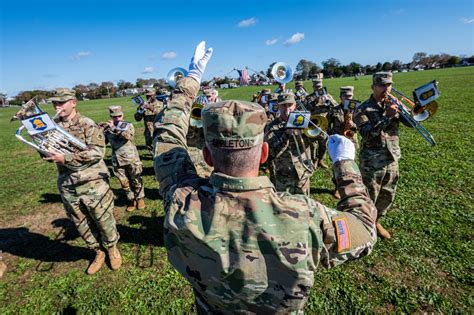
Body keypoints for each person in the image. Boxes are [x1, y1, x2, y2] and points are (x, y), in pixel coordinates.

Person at [154, 41, 377, 313]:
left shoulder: (181, 202)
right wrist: (344, 164)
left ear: (208, 157)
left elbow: (167, 134)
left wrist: (190, 81)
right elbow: (365, 229)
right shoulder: (304, 215)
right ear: (263, 154)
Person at [44, 88, 121, 275]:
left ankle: (111, 248)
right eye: (55, 103)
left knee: (103, 218)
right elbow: (46, 149)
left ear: (73, 102)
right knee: (80, 221)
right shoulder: (52, 126)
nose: (57, 106)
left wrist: (67, 158)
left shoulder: (87, 123)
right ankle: (97, 251)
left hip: (92, 181)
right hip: (67, 183)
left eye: (61, 102)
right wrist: (43, 148)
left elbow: (97, 152)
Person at [354, 72, 412, 239]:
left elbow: (411, 124)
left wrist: (403, 111)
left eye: (389, 85)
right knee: (368, 195)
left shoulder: (394, 104)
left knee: (387, 194)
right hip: (372, 161)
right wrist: (386, 117)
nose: (386, 88)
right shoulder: (362, 108)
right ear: (373, 87)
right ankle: (363, 224)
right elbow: (367, 133)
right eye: (382, 85)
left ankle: (376, 221)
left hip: (392, 157)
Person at [264, 92, 317, 195]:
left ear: (295, 106)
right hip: (282, 176)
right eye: (284, 105)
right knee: (284, 207)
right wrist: (286, 134)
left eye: (290, 105)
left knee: (304, 205)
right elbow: (272, 152)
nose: (287, 109)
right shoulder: (272, 126)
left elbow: (318, 140)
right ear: (278, 106)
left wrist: (313, 131)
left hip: (302, 173)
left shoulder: (304, 120)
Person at [103, 105, 145, 212]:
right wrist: (99, 131)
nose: (117, 119)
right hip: (117, 160)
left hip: (131, 158)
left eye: (119, 116)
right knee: (124, 182)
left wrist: (113, 128)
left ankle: (140, 198)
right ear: (111, 117)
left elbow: (127, 136)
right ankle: (131, 200)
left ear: (122, 115)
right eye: (114, 117)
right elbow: (103, 142)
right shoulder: (107, 128)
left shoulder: (127, 125)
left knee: (136, 178)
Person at [327, 86, 359, 199]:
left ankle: (351, 186)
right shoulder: (334, 110)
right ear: (340, 97)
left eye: (349, 96)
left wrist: (353, 125)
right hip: (337, 144)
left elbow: (363, 125)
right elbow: (326, 124)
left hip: (351, 142)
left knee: (351, 165)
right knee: (336, 165)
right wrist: (331, 135)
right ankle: (337, 187)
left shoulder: (357, 109)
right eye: (345, 96)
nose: (347, 98)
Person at [305, 75, 338, 169]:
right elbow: (304, 110)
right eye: (316, 87)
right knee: (313, 145)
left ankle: (321, 160)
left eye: (319, 87)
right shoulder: (309, 98)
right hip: (312, 124)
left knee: (323, 144)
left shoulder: (328, 96)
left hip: (324, 124)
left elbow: (335, 107)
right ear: (313, 87)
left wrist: (329, 100)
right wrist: (313, 102)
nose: (318, 88)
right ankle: (314, 160)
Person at [134, 88, 162, 152]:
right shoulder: (143, 105)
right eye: (147, 96)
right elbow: (137, 119)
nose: (149, 97)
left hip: (159, 132)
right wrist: (140, 111)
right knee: (151, 151)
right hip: (148, 133)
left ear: (155, 95)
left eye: (151, 95)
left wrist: (151, 108)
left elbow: (163, 115)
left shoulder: (161, 104)